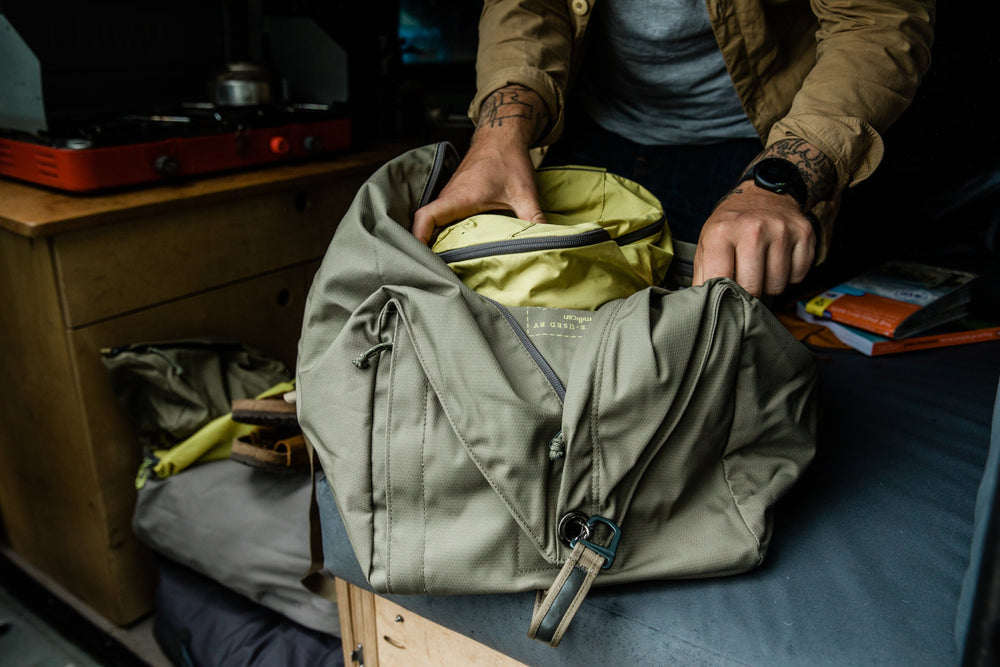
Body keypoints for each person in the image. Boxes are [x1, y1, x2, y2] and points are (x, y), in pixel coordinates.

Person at [412, 0, 935, 297]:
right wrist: (498, 135)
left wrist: (779, 181)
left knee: (728, 357)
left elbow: (875, 23)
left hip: (752, 148)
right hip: (588, 132)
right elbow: (526, 5)